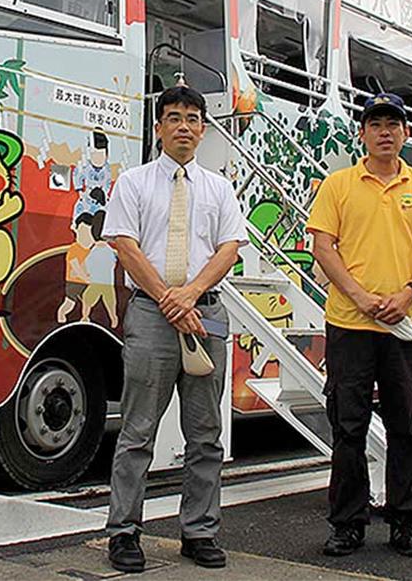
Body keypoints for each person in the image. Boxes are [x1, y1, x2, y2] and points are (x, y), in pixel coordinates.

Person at [102, 85, 247, 573]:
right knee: (138, 429)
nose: (184, 126)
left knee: (205, 434)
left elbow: (229, 248)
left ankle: (199, 531)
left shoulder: (219, 188)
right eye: (173, 118)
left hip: (206, 312)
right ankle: (124, 532)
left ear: (204, 128)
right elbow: (124, 243)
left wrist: (189, 296)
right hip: (150, 314)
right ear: (159, 127)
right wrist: (169, 298)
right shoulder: (134, 183)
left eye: (192, 118)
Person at [306, 93, 412, 558]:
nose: (385, 132)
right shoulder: (338, 185)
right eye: (375, 124)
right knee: (348, 427)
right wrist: (362, 297)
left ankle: (406, 522)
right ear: (362, 134)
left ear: (405, 133)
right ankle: (347, 524)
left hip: (406, 326)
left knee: (406, 426)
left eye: (393, 124)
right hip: (350, 324)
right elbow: (323, 247)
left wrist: (408, 293)